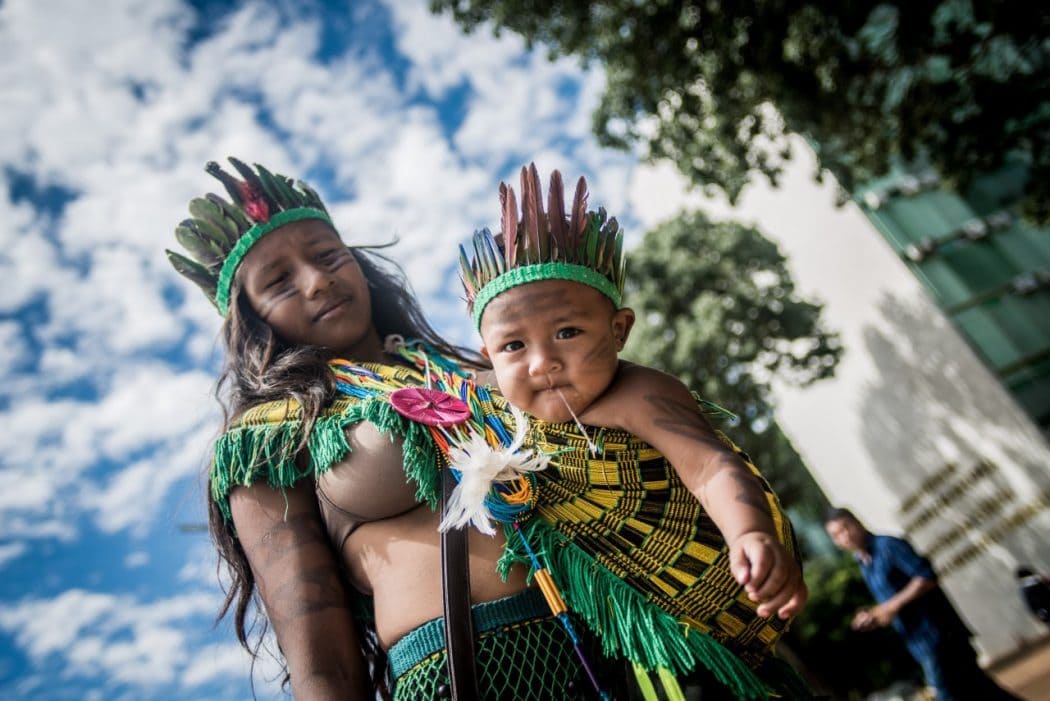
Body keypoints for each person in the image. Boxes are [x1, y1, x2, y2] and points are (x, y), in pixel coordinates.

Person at [167, 157, 807, 700]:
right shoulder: (267, 440)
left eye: (327, 255)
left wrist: (748, 527)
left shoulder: (489, 366)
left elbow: (653, 416)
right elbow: (318, 646)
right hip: (462, 673)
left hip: (613, 639)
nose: (317, 280)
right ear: (249, 318)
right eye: (278, 282)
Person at [453, 164, 811, 699]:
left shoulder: (639, 393)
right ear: (489, 358)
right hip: (622, 640)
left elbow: (710, 466)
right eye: (514, 347)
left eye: (568, 332)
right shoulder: (500, 410)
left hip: (707, 624)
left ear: (619, 330)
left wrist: (749, 533)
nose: (542, 363)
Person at [824, 507, 1022, 701]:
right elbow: (891, 604)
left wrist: (890, 607)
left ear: (857, 523)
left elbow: (925, 577)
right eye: (836, 535)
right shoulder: (864, 563)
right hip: (919, 643)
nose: (845, 536)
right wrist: (874, 616)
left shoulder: (888, 546)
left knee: (948, 694)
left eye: (846, 527)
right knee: (982, 690)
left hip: (939, 636)